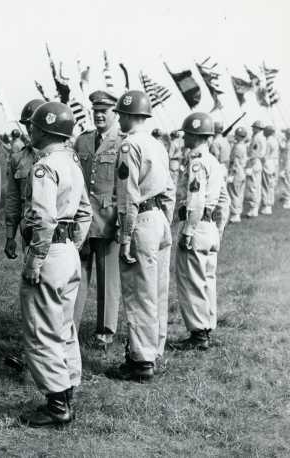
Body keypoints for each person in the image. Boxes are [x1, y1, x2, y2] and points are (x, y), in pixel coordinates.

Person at [19, 101, 92, 426]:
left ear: (45, 130)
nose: (30, 130)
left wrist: (36, 258)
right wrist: (71, 245)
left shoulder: (45, 166)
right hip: (67, 252)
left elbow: (44, 217)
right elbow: (85, 212)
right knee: (64, 326)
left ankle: (57, 403)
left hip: (48, 251)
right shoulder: (72, 163)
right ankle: (68, 386)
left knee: (41, 329)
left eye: (34, 126)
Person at [106, 90, 175, 383]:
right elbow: (170, 189)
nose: (118, 118)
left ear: (129, 115)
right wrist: (164, 222)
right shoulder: (157, 144)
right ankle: (153, 349)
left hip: (141, 220)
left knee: (139, 292)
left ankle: (141, 360)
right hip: (159, 217)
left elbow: (127, 197)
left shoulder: (128, 146)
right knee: (157, 290)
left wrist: (125, 236)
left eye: (120, 113)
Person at [72, 90, 123, 349]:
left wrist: (121, 221)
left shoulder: (122, 142)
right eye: (96, 111)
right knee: (77, 274)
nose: (99, 115)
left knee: (107, 278)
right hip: (83, 219)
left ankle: (104, 332)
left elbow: (124, 186)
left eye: (105, 111)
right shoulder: (82, 141)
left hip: (109, 219)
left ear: (115, 113)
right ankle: (70, 326)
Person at [172, 113, 223, 351]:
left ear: (194, 135)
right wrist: (218, 229)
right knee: (207, 280)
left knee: (192, 280)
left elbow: (195, 198)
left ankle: (198, 333)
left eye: (187, 134)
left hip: (198, 224)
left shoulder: (197, 162)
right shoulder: (213, 162)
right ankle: (207, 326)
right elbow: (224, 200)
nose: (185, 138)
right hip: (210, 226)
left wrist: (188, 231)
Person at [2, 98, 44, 372]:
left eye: (33, 123)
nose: (30, 129)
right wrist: (10, 235)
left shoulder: (62, 155)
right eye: (26, 124)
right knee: (31, 295)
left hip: (55, 237)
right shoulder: (19, 157)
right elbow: (14, 201)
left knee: (49, 296)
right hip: (30, 237)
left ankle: (44, 355)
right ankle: (32, 350)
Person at [243, 120, 266, 217]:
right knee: (255, 186)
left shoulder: (257, 138)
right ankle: (254, 208)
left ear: (257, 128)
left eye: (254, 127)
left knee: (253, 187)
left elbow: (254, 152)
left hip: (254, 163)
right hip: (256, 162)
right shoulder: (260, 137)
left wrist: (248, 160)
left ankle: (254, 209)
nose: (252, 129)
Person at [227, 127, 248, 222]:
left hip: (236, 172)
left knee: (234, 193)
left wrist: (231, 174)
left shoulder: (237, 147)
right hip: (242, 171)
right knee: (239, 193)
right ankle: (237, 213)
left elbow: (235, 163)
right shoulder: (243, 145)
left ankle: (235, 214)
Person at [260, 125, 279, 215]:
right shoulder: (275, 140)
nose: (263, 132)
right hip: (274, 163)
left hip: (268, 162)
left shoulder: (267, 141)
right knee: (271, 185)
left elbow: (265, 155)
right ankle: (270, 204)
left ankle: (266, 206)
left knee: (265, 185)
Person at [280, 129, 290, 209]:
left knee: (287, 182)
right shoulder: (287, 142)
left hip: (287, 165)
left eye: (286, 134)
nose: (285, 135)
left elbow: (287, 157)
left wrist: (284, 169)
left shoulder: (288, 143)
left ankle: (288, 200)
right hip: (286, 164)